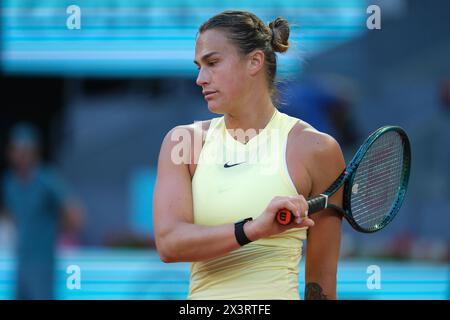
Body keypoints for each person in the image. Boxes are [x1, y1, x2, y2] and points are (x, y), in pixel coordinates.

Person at [153, 10, 345, 300]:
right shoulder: (183, 142)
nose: (200, 79)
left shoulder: (317, 150)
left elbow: (321, 283)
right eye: (198, 67)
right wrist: (253, 229)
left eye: (213, 63)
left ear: (254, 61)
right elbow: (169, 244)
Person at [0, 123, 84, 300]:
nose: (20, 154)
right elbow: (12, 215)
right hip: (21, 260)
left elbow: (76, 214)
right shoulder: (9, 182)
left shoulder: (47, 179)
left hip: (43, 262)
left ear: (34, 151)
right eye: (16, 149)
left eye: (25, 149)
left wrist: (53, 228)